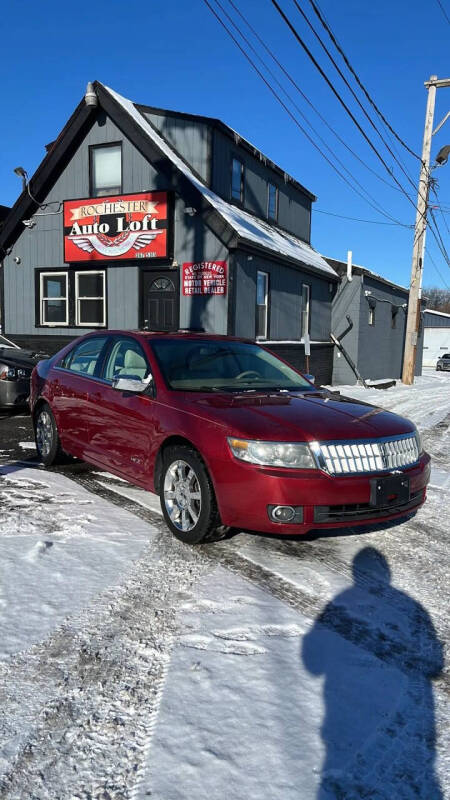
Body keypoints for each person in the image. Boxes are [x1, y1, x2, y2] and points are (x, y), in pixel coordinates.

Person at [302, 546, 444, 799]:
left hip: (345, 716)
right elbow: (435, 663)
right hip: (399, 712)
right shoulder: (413, 609)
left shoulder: (339, 604)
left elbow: (312, 663)